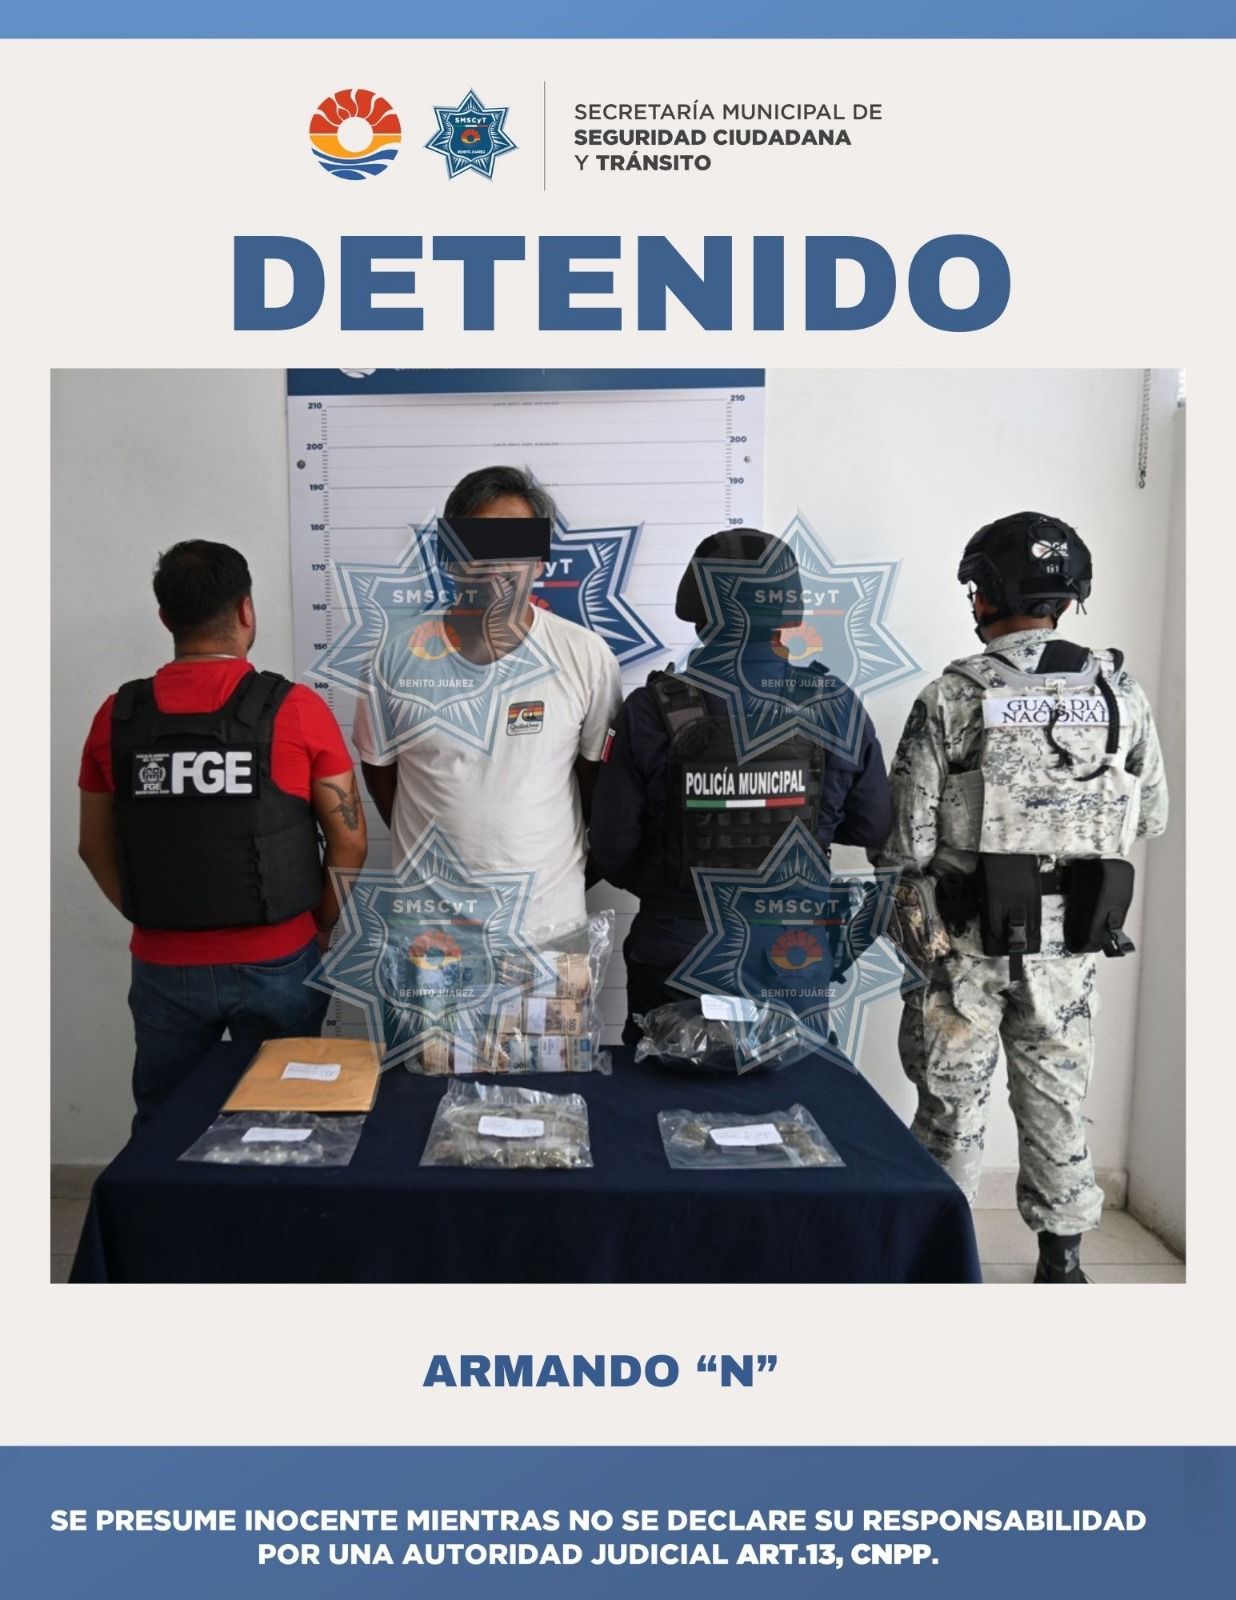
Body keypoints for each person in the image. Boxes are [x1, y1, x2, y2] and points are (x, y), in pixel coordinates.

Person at [874, 511, 1168, 1283]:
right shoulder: (1119, 692)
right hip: (1071, 940)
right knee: (1057, 1097)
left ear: (984, 594)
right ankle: (1062, 1261)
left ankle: (940, 1262)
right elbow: (1152, 815)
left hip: (964, 943)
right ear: (1069, 598)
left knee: (950, 1105)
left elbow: (906, 841)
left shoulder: (954, 695)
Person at [78, 540, 368, 1125]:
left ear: (166, 618)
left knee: (167, 1128)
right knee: (288, 1122)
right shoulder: (297, 709)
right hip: (280, 960)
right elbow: (351, 841)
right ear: (246, 610)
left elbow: (93, 846)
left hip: (163, 966)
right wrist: (320, 926)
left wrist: (150, 913)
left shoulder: (116, 715)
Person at [589, 529, 893, 1044]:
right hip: (790, 954)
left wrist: (675, 882)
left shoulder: (651, 710)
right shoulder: (835, 704)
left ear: (697, 607)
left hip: (678, 950)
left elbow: (612, 848)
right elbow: (871, 825)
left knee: (659, 1089)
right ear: (789, 610)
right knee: (796, 1091)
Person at [354, 465, 623, 936]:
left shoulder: (586, 656)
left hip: (549, 926)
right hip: (430, 931)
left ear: (540, 562)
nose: (496, 563)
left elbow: (595, 786)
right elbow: (382, 775)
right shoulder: (393, 657)